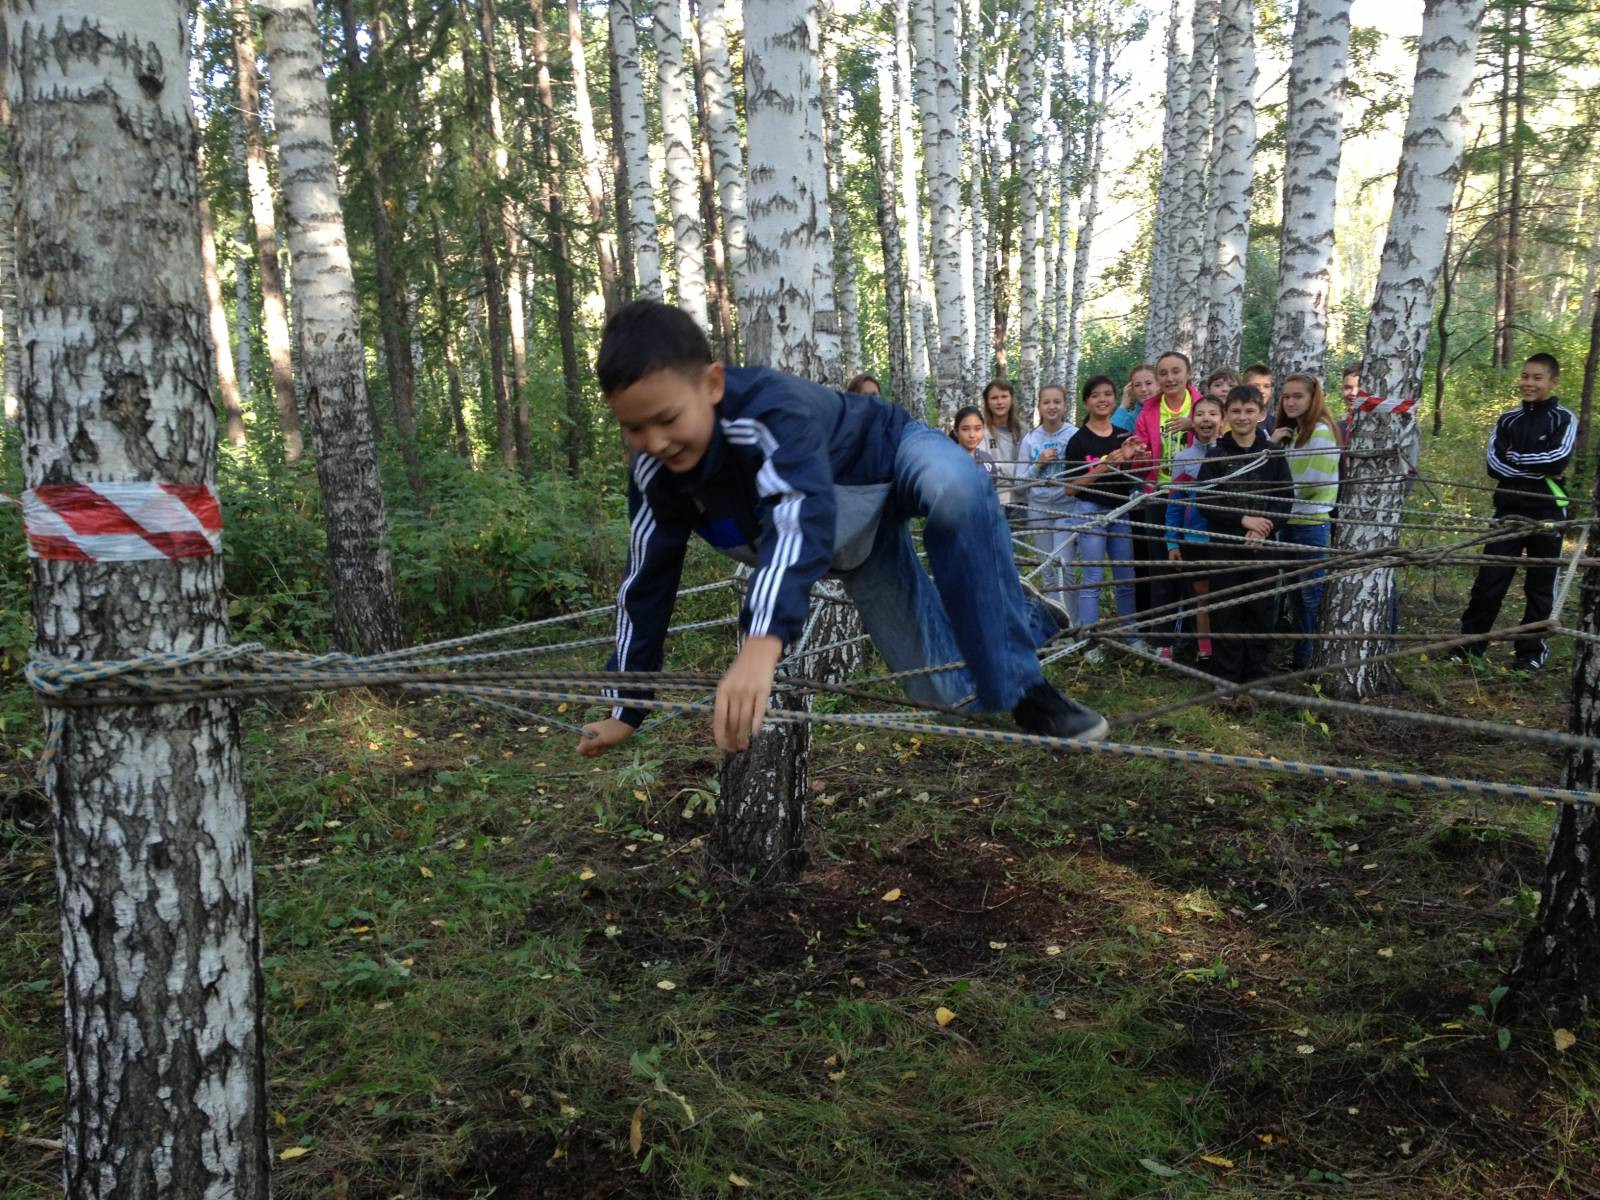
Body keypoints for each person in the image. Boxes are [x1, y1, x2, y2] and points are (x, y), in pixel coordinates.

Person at [578, 299, 1108, 759]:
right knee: (945, 694)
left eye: (667, 419)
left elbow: (795, 515)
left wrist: (763, 642)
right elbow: (645, 584)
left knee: (958, 489)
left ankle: (1028, 690)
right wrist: (627, 708)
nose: (654, 441)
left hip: (886, 456)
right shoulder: (654, 474)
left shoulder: (765, 413)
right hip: (855, 542)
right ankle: (1031, 616)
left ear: (713, 384)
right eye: (633, 428)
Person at [1451, 353, 1576, 672]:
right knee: (1489, 580)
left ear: (1553, 382)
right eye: (1524, 376)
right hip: (1507, 511)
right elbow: (1494, 466)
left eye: (1537, 378)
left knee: (1540, 584)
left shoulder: (1563, 418)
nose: (1528, 383)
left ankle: (1531, 652)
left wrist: (1516, 460)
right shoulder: (1507, 420)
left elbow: (1558, 460)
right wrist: (1534, 464)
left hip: (1548, 510)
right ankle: (1469, 647)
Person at [1196, 385, 1293, 684]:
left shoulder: (1273, 455)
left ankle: (1255, 674)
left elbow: (1285, 498)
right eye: (1235, 411)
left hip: (1262, 544)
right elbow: (1205, 501)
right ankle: (1226, 675)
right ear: (1226, 415)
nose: (1242, 417)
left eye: (1249, 411)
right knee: (1227, 608)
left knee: (1260, 608)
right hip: (1225, 545)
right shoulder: (1216, 455)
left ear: (1261, 414)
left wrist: (1265, 527)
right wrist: (1243, 520)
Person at [1128, 350, 1201, 648]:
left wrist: (1194, 425)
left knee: (1195, 566)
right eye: (1164, 373)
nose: (1170, 378)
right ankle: (1162, 640)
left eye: (1176, 372)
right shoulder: (1147, 410)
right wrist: (1140, 455)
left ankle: (1197, 641)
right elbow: (1139, 465)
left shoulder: (1201, 405)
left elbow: (1220, 444)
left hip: (1194, 497)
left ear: (1188, 374)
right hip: (1157, 496)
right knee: (1159, 567)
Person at [1064, 375, 1144, 648]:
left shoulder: (1122, 435)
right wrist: (1103, 466)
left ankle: (1131, 637)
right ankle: (1090, 641)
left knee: (1126, 578)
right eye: (1096, 395)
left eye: (1108, 394)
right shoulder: (1078, 440)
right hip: (1090, 510)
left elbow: (1130, 478)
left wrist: (1135, 458)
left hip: (1120, 510)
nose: (1103, 399)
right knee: (1093, 578)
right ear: (1086, 402)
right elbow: (1070, 489)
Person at [1270, 373, 1343, 668]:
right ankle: (1302, 659)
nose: (1290, 402)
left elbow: (1314, 481)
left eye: (1298, 396)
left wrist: (1279, 495)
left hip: (1312, 525)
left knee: (1311, 597)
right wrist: (1274, 447)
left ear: (1314, 399)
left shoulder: (1321, 432)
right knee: (1296, 597)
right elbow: (1278, 476)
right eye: (1286, 397)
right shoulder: (1291, 434)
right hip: (1289, 523)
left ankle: (1312, 660)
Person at [1165, 393, 1225, 668]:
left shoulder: (1231, 454)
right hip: (1194, 538)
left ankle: (1227, 650)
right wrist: (1172, 542)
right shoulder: (1183, 458)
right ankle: (1206, 652)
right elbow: (1175, 503)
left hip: (1225, 538)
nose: (1206, 419)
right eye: (1200, 413)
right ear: (1192, 420)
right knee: (1201, 597)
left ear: (1222, 420)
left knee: (1224, 596)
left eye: (1213, 414)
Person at [1021, 384, 1078, 610]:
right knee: (1047, 569)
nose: (1052, 406)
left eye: (1057, 402)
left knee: (1065, 567)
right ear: (1039, 406)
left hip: (1067, 508)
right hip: (1038, 509)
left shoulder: (1074, 435)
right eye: (1046, 402)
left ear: (1065, 405)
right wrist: (1038, 465)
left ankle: (1074, 624)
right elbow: (1020, 482)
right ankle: (1053, 626)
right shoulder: (1030, 439)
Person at [981, 378, 1025, 516]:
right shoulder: (981, 432)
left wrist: (999, 466)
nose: (1000, 402)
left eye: (1004, 396)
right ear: (987, 402)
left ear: (1011, 399)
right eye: (994, 398)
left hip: (1020, 499)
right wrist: (1012, 469)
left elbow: (1026, 468)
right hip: (993, 499)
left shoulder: (1023, 431)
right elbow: (985, 468)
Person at [951, 405, 999, 479]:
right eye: (965, 429)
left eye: (977, 429)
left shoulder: (986, 459)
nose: (972, 435)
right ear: (956, 432)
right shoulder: (947, 460)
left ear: (983, 429)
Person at [1116, 364, 1157, 433]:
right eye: (1137, 385)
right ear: (1131, 390)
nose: (1143, 389)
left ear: (1159, 385)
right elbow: (1110, 437)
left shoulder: (1171, 411)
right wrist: (1123, 406)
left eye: (1148, 383)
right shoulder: (1131, 420)